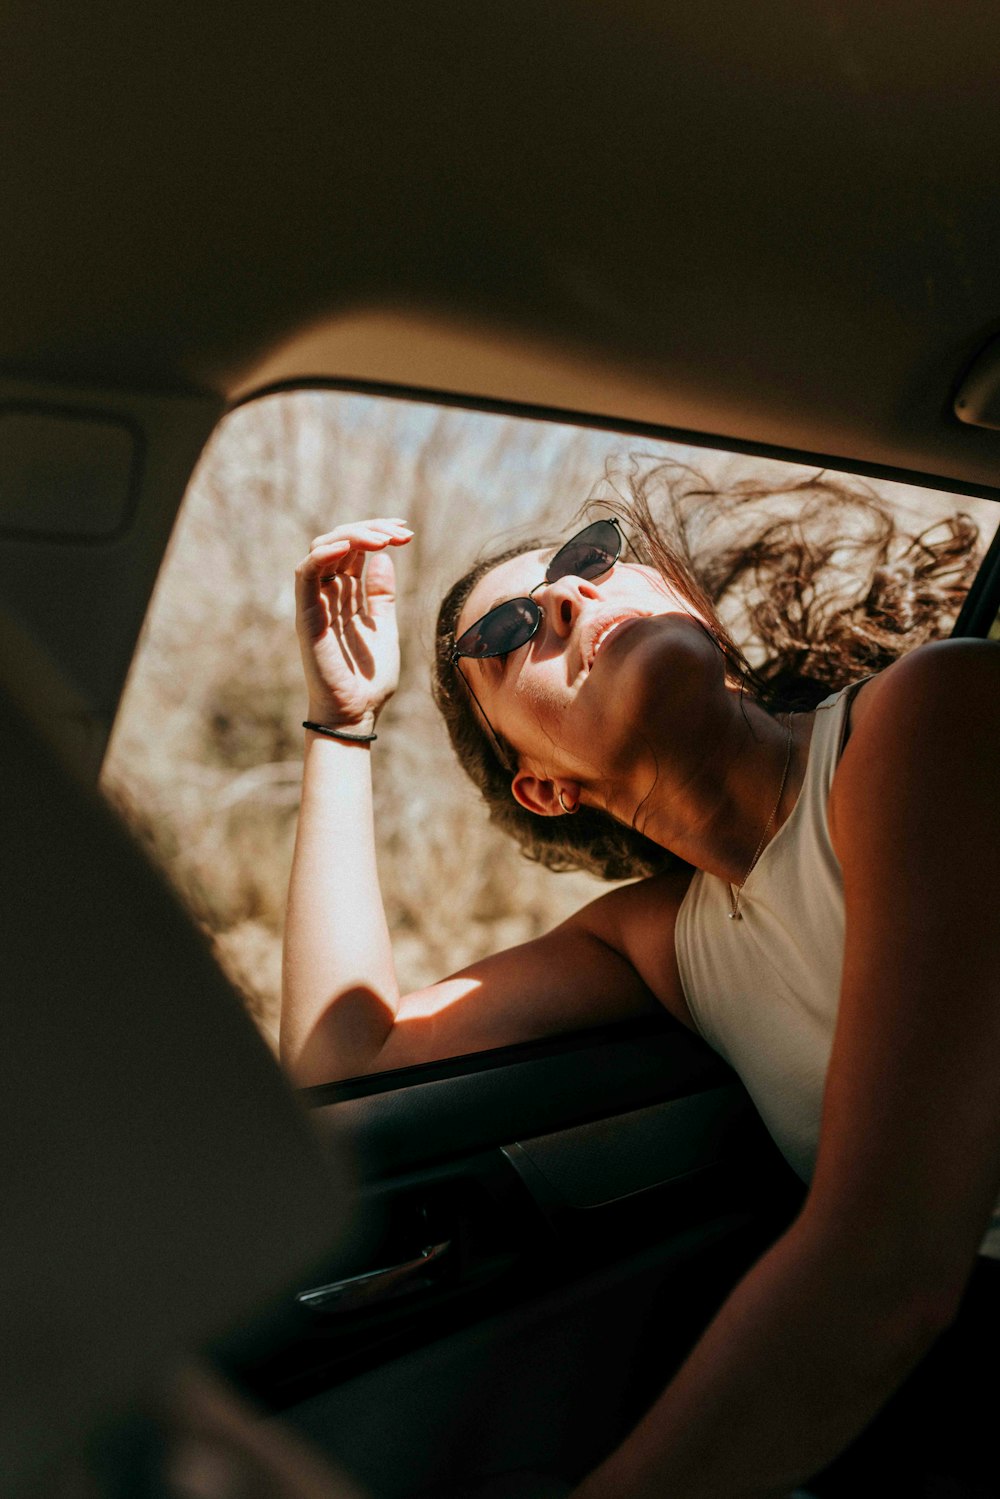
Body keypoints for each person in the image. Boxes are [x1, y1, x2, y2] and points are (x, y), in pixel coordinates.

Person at [281, 469, 1000, 1498]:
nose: (574, 596)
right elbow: (345, 1061)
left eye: (593, 557)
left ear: (694, 612)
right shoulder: (659, 939)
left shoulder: (933, 708)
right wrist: (340, 725)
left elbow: (884, 1264)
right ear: (544, 782)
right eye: (513, 629)